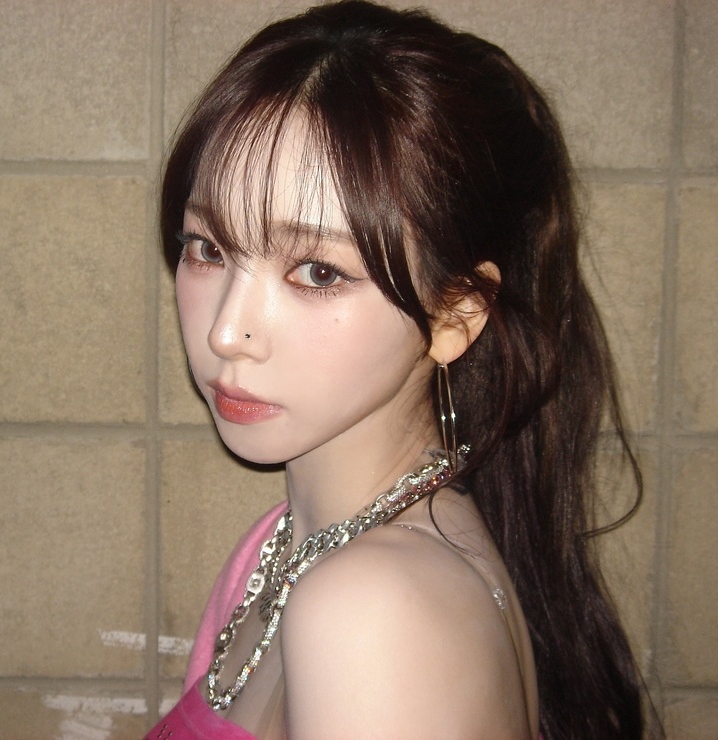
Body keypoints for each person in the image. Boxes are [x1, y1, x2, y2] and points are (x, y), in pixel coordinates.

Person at [148, 1, 645, 737]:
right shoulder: (279, 546)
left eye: (318, 272)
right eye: (208, 248)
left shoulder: (373, 610)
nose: (227, 332)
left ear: (456, 315)